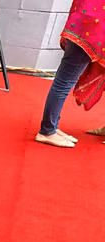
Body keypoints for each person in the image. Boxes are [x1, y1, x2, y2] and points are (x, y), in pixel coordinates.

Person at [36, 0, 105, 147]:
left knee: (64, 80)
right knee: (64, 81)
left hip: (83, 24)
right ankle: (47, 131)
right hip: (90, 29)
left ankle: (52, 127)